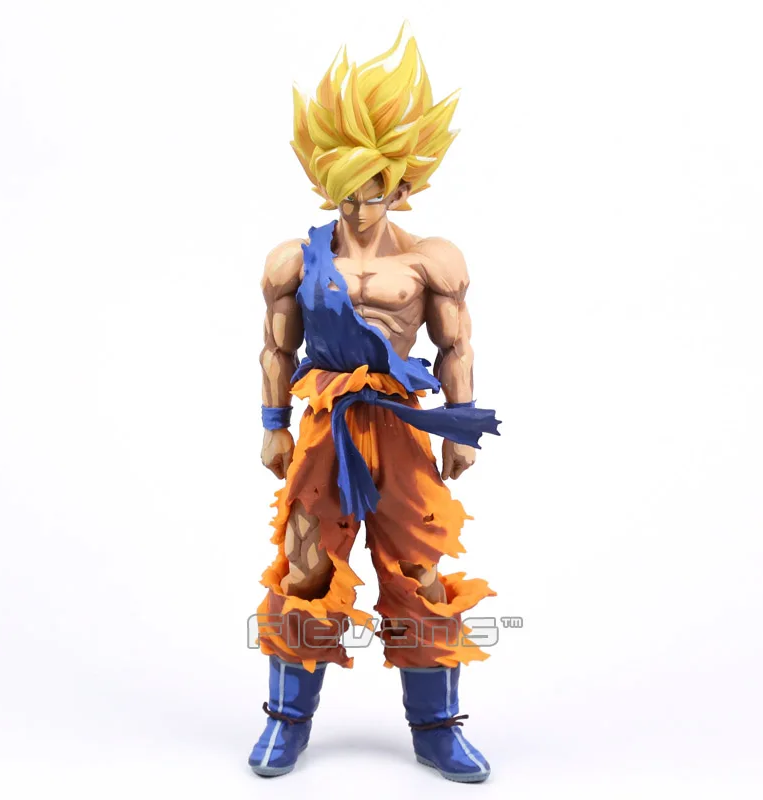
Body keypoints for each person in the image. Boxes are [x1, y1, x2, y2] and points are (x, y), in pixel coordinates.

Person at [249, 23, 500, 783]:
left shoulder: (431, 260)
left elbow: (456, 345)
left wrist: (462, 427)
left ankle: (437, 728)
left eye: (377, 185)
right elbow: (275, 349)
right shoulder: (295, 261)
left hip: (399, 423)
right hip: (327, 422)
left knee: (419, 566)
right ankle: (287, 719)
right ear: (327, 179)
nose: (362, 202)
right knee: (305, 564)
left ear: (402, 184)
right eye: (348, 185)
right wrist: (273, 425)